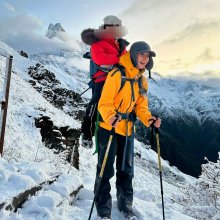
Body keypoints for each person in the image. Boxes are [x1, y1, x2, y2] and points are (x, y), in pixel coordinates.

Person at [94, 41, 161, 219]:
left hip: (128, 128)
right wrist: (110, 117)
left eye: (148, 57)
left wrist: (149, 120)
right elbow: (105, 102)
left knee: (126, 170)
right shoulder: (117, 74)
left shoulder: (142, 81)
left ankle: (126, 205)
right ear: (133, 54)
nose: (145, 59)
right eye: (142, 55)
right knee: (105, 170)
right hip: (109, 127)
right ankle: (103, 208)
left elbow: (141, 107)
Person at [80, 15, 129, 148]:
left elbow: (127, 60)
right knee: (96, 103)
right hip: (102, 80)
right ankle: (87, 132)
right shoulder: (97, 42)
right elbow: (100, 58)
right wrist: (120, 58)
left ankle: (111, 131)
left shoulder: (120, 44)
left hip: (118, 80)